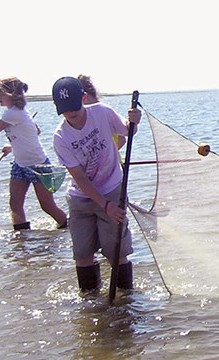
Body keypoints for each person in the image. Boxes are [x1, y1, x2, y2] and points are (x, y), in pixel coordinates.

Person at [51, 76, 141, 292]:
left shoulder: (102, 112)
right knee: (82, 254)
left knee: (116, 252)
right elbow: (80, 178)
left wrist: (134, 121)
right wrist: (104, 205)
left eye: (74, 106)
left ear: (84, 98)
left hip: (112, 190)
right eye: (65, 109)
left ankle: (125, 301)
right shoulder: (60, 137)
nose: (71, 113)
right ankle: (90, 299)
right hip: (82, 198)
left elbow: (126, 132)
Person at [0, 77, 68, 230]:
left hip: (38, 166)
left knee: (47, 206)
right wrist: (13, 147)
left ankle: (67, 227)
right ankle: (22, 238)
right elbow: (35, 131)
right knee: (15, 204)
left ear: (10, 94)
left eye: (0, 93)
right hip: (20, 165)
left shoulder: (13, 114)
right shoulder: (19, 112)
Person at [77, 74, 126, 149]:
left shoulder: (105, 112)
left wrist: (108, 153)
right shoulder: (79, 117)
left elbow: (122, 139)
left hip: (112, 159)